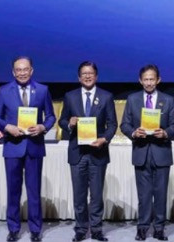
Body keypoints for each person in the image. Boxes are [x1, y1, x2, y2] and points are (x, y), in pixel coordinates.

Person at [0, 56, 56, 242]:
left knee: (34, 191)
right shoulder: (4, 91)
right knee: (13, 191)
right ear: (13, 72)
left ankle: (35, 229)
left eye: (25, 69)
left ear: (31, 70)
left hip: (34, 146)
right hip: (13, 147)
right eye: (18, 70)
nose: (22, 73)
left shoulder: (43, 90)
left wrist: (43, 127)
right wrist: (7, 127)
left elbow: (51, 117)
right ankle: (13, 229)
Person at [58, 61, 118, 242]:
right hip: (77, 153)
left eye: (90, 73)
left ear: (96, 76)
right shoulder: (70, 96)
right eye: (84, 73)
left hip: (98, 152)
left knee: (97, 195)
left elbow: (112, 124)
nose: (87, 76)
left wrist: (104, 139)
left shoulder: (106, 96)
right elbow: (62, 121)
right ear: (79, 77)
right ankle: (81, 229)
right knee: (79, 195)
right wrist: (70, 124)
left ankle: (97, 229)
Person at [120, 64, 174, 241]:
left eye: (152, 79)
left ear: (158, 80)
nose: (148, 83)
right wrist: (133, 133)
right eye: (145, 79)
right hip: (141, 152)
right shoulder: (132, 99)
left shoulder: (168, 100)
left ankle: (159, 228)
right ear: (140, 80)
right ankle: (142, 227)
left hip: (161, 152)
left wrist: (166, 133)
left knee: (161, 194)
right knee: (144, 195)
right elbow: (124, 124)